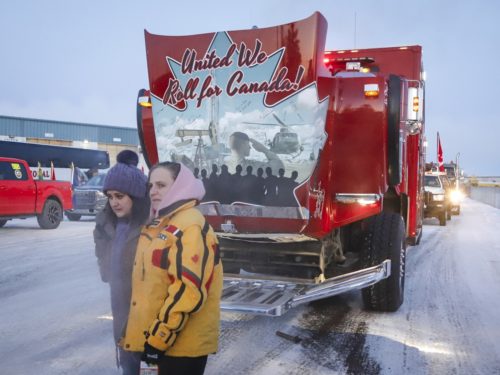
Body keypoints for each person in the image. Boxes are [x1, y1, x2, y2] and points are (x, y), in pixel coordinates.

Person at [122, 161, 223, 375]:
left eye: (161, 185)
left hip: (181, 349)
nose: (154, 191)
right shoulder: (161, 223)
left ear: (179, 186)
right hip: (158, 341)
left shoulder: (190, 225)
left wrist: (159, 339)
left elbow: (188, 290)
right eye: (151, 186)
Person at [93, 150, 150, 375]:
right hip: (119, 299)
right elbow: (101, 249)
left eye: (120, 196)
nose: (114, 202)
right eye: (110, 196)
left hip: (146, 301)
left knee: (147, 354)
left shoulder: (151, 225)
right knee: (126, 351)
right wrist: (106, 270)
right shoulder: (106, 223)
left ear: (135, 196)